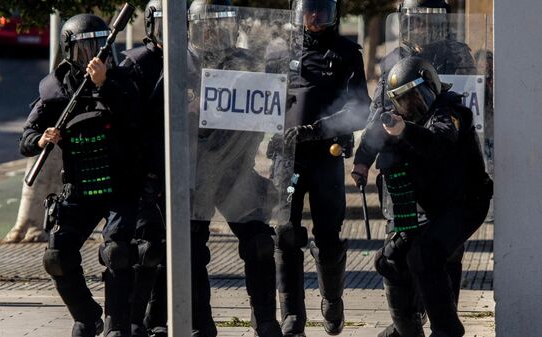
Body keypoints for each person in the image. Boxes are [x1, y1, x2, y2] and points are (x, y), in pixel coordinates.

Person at [356, 1, 479, 335]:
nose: (422, 27)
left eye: (430, 21)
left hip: (444, 171)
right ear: (405, 22)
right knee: (397, 250)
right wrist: (365, 157)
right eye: (416, 21)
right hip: (402, 172)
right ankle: (407, 325)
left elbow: (473, 108)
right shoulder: (393, 59)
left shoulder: (457, 56)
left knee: (445, 254)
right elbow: (378, 110)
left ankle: (443, 319)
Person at [19, 14, 142, 337]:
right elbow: (27, 138)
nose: (93, 56)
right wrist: (42, 138)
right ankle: (88, 317)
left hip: (120, 185)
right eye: (85, 49)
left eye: (99, 47)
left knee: (117, 251)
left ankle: (118, 324)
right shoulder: (55, 87)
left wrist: (104, 86)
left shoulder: (123, 79)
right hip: (79, 187)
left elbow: (136, 118)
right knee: (57, 254)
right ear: (70, 51)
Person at [187, 1, 285, 336]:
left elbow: (267, 107)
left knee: (259, 242)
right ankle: (200, 323)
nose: (215, 31)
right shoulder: (180, 64)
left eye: (222, 23)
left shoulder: (245, 63)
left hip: (235, 171)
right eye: (208, 24)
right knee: (190, 248)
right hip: (193, 175)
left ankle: (267, 321)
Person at [274, 0, 371, 335]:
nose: (314, 17)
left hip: (325, 157)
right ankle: (292, 316)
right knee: (285, 235)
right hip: (287, 158)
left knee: (327, 237)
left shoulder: (347, 53)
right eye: (308, 9)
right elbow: (260, 98)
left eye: (322, 10)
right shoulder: (280, 51)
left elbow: (360, 108)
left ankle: (332, 302)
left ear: (335, 14)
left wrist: (316, 130)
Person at [119, 1, 167, 336]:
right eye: (163, 23)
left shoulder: (194, 60)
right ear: (150, 25)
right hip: (146, 171)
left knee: (180, 249)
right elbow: (124, 118)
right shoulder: (135, 63)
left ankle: (162, 318)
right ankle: (134, 322)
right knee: (146, 248)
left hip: (183, 171)